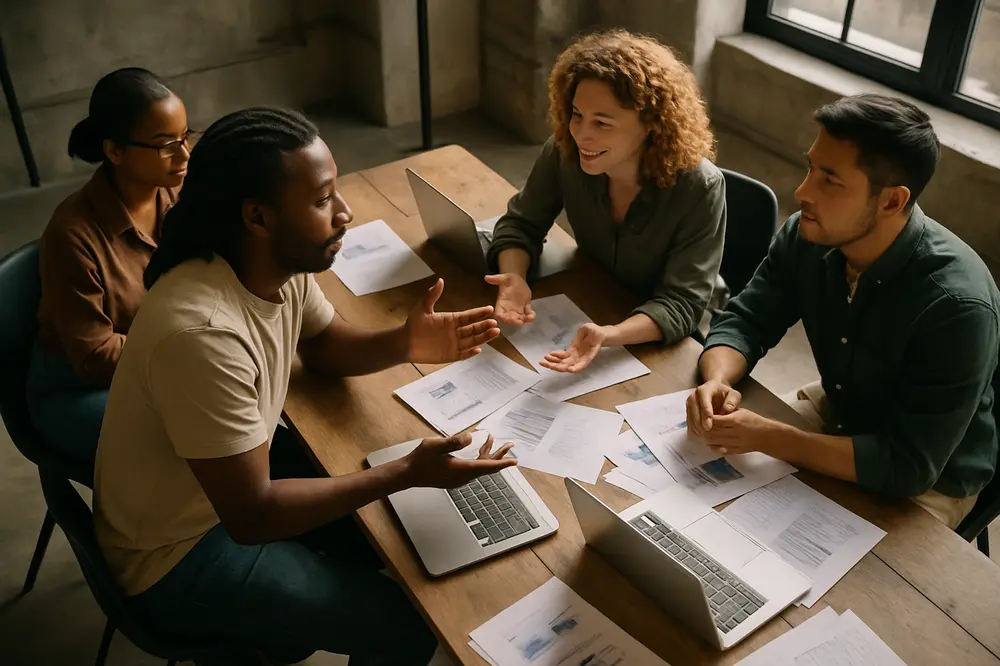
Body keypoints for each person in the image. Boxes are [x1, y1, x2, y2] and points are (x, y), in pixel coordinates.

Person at [93, 107, 514, 665]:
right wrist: (407, 472)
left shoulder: (267, 267)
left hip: (224, 504)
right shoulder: (201, 335)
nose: (344, 213)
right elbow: (254, 516)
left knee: (408, 550)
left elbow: (324, 344)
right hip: (179, 556)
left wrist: (406, 343)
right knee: (407, 627)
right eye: (321, 201)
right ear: (258, 217)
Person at [688, 93, 999, 529]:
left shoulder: (957, 306)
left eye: (830, 181)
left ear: (891, 201)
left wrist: (774, 438)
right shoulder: (807, 235)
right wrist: (717, 379)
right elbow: (746, 319)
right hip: (844, 404)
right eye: (811, 168)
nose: (801, 193)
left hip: (930, 479)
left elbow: (907, 465)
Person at [485, 29, 726, 373]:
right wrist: (514, 276)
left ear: (651, 125)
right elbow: (521, 224)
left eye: (602, 123)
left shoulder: (700, 187)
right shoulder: (563, 152)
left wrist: (610, 335)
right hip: (597, 294)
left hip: (662, 337)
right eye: (577, 114)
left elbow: (682, 304)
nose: (582, 135)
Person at [28, 67, 194, 462]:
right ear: (114, 150)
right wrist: (189, 351)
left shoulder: (178, 190)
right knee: (197, 441)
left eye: (186, 136)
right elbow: (95, 356)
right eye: (166, 144)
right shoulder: (73, 235)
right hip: (82, 388)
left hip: (163, 358)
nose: (184, 154)